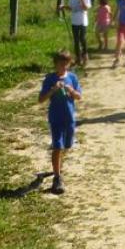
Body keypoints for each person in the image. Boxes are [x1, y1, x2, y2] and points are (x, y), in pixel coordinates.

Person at [38, 49, 82, 195]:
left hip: (69, 118)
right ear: (55, 64)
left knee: (66, 145)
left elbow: (79, 96)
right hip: (55, 118)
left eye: (65, 65)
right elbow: (41, 99)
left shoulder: (72, 78)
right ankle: (57, 178)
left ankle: (57, 168)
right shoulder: (50, 78)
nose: (62, 68)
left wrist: (71, 91)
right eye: (59, 64)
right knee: (57, 146)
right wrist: (52, 90)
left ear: (68, 64)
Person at [61, 0, 91, 66]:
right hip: (74, 21)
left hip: (83, 21)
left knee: (82, 38)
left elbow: (86, 8)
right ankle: (78, 58)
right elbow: (71, 8)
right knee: (76, 40)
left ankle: (85, 55)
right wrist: (64, 7)